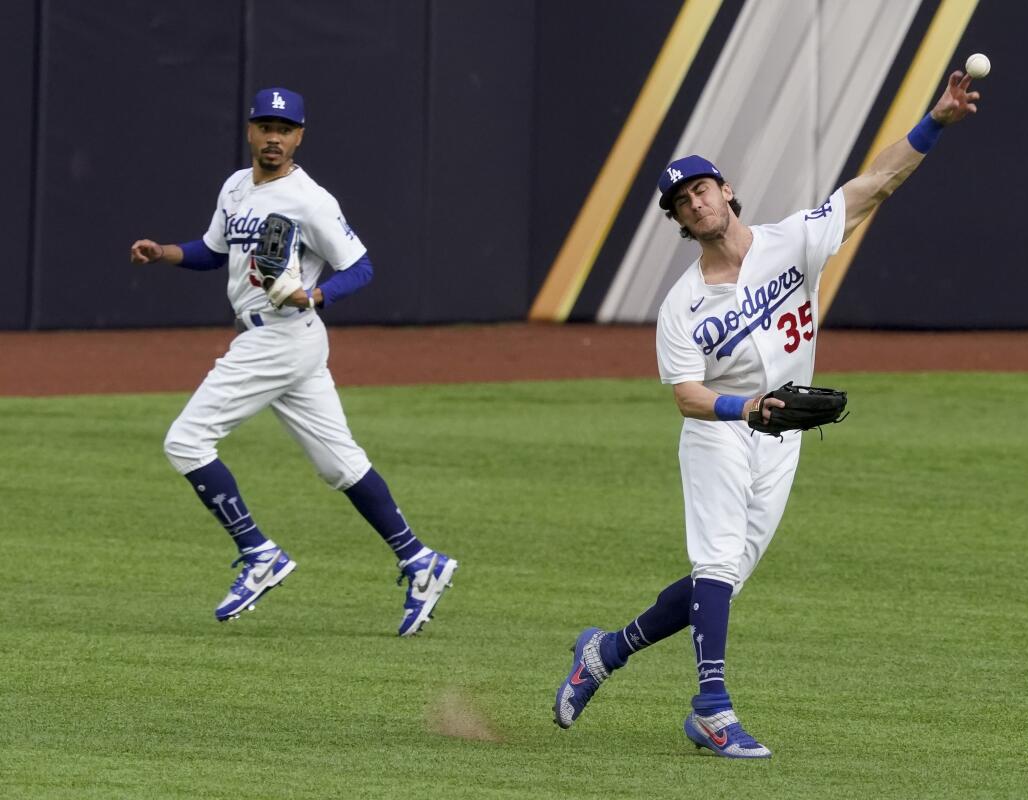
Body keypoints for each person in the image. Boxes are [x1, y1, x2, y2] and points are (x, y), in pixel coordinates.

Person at [553, 71, 980, 756]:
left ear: (725, 190)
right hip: (717, 433)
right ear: (678, 220)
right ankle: (712, 708)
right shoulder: (682, 305)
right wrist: (742, 406)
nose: (694, 203)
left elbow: (874, 186)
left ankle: (604, 652)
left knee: (715, 582)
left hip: (782, 441)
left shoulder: (793, 240)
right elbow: (686, 395)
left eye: (701, 188)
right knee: (717, 565)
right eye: (681, 201)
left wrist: (935, 120)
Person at [129, 87, 457, 636]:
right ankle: (420, 561)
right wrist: (165, 252)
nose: (274, 137)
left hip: (279, 337)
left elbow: (360, 264)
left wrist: (320, 295)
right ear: (250, 131)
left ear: (300, 136)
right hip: (288, 342)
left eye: (284, 128)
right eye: (265, 126)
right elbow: (214, 251)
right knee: (340, 464)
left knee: (185, 441)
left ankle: (259, 552)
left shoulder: (311, 199)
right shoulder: (235, 187)